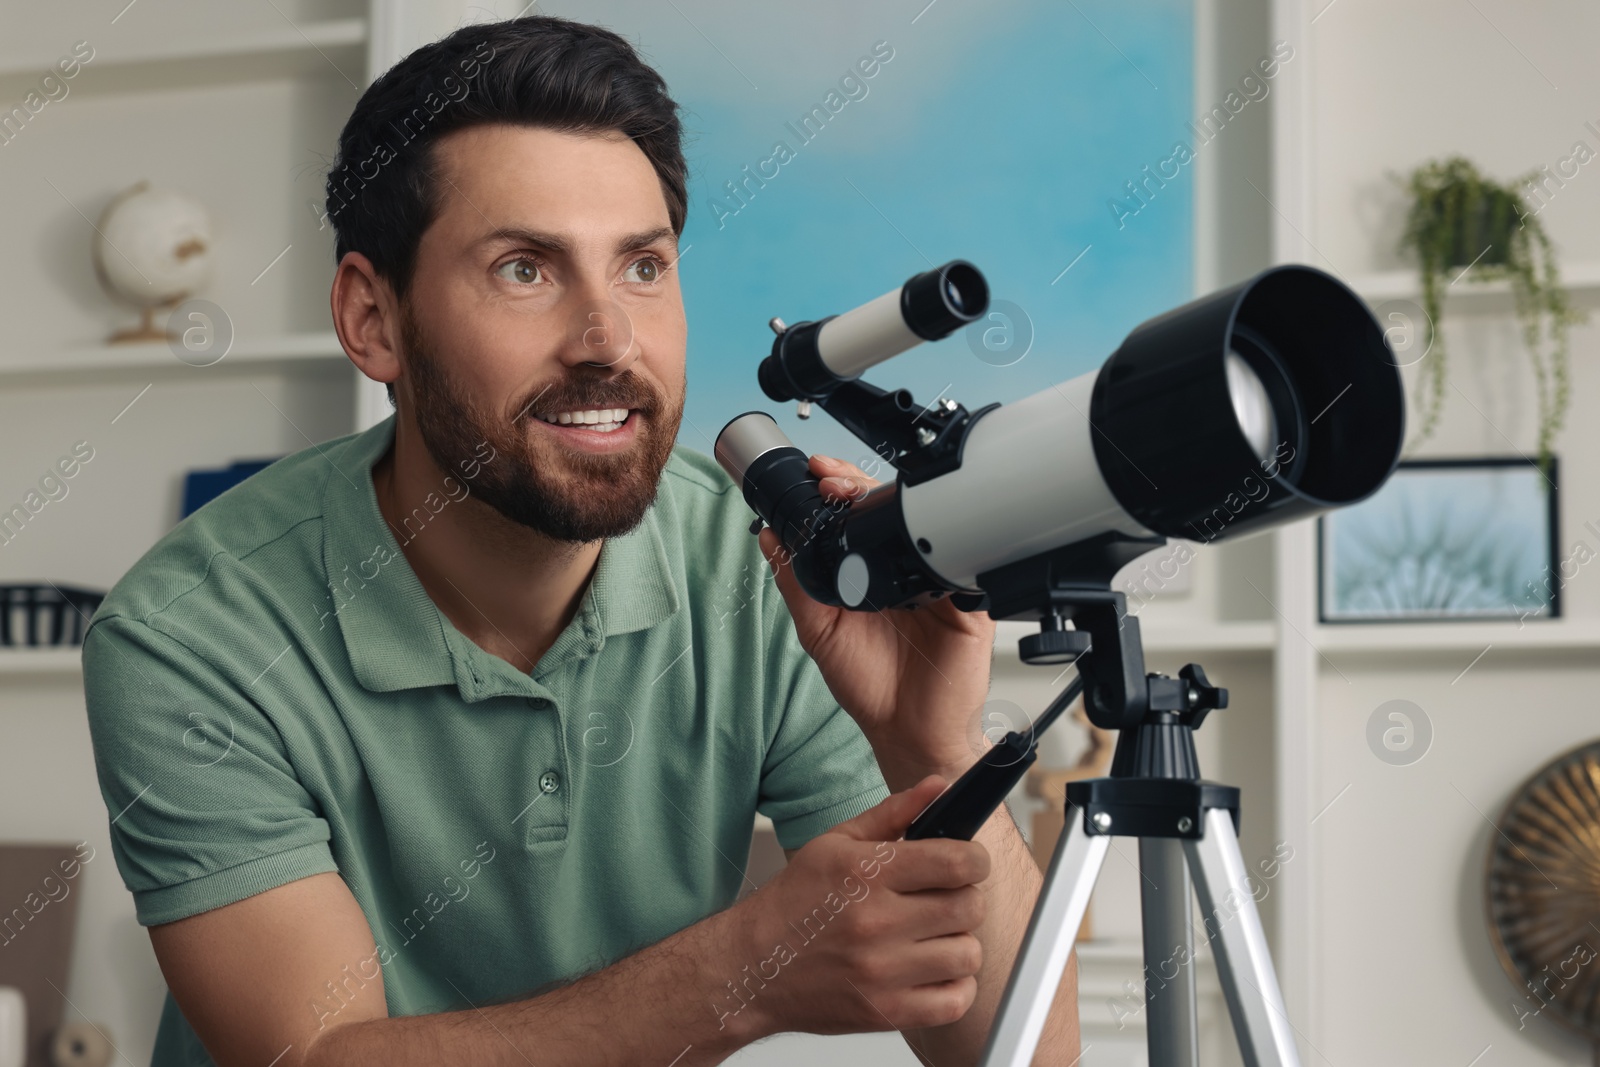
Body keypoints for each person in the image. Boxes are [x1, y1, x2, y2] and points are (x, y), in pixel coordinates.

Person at [80, 15, 1078, 1067]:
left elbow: (1017, 1056)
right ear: (372, 318)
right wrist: (745, 969)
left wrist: (933, 749)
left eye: (642, 268)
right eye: (524, 269)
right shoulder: (187, 633)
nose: (608, 337)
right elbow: (315, 1054)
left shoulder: (766, 568)